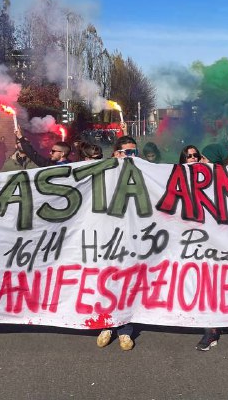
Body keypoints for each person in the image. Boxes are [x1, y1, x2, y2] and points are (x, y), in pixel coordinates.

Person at [95, 136, 138, 351]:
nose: (131, 157)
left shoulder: (143, 172)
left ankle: (125, 331)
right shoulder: (103, 171)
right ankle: (106, 325)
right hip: (106, 235)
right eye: (126, 152)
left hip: (133, 236)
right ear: (115, 153)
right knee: (107, 281)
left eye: (134, 153)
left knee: (126, 283)